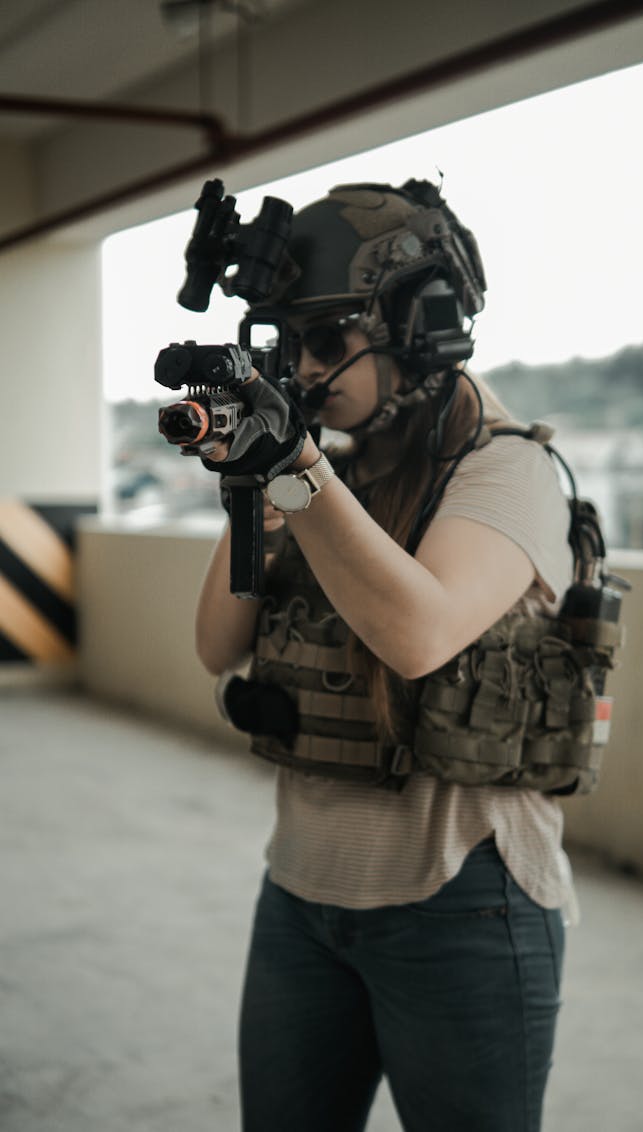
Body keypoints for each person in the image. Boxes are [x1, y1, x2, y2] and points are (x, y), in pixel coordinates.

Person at [194, 179, 576, 1132]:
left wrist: (293, 467)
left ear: (421, 325)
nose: (305, 370)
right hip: (301, 887)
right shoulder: (332, 465)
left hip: (461, 901)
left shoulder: (509, 470)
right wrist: (255, 473)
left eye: (325, 340)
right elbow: (215, 644)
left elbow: (417, 637)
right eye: (285, 343)